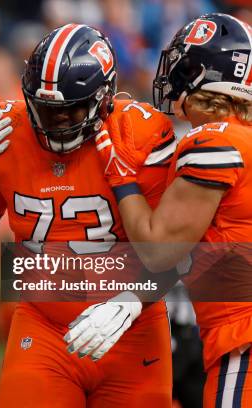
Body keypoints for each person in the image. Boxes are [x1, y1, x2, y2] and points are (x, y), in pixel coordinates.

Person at [0, 24, 176, 406]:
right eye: (45, 108)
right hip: (43, 324)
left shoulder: (140, 133)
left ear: (104, 98)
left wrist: (132, 300)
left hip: (130, 328)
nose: (54, 121)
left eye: (70, 108)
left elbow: (179, 242)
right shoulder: (7, 130)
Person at [65, 13, 252, 407]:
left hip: (243, 334)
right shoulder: (241, 138)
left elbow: (159, 250)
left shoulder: (216, 140)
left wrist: (122, 178)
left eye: (182, 64)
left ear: (201, 72)